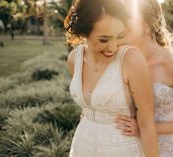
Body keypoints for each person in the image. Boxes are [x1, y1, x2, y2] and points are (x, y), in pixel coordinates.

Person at [64, 0, 158, 156]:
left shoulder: (131, 60)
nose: (113, 47)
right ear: (83, 33)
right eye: (104, 40)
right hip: (84, 144)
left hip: (122, 148)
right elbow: (88, 106)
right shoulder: (75, 59)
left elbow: (147, 125)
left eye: (119, 36)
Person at [114, 0, 173, 156]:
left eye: (128, 16)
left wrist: (143, 127)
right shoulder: (118, 61)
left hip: (165, 149)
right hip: (124, 148)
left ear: (147, 24)